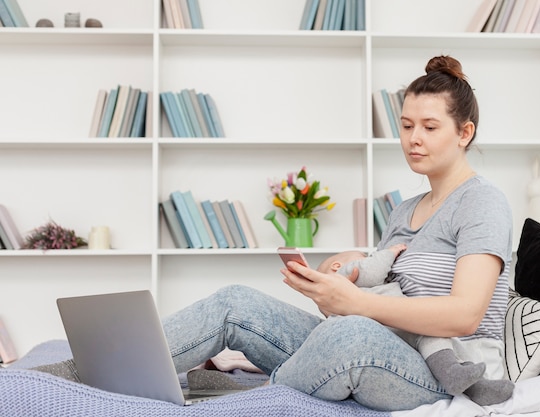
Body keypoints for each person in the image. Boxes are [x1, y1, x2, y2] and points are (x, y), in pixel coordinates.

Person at [34, 55, 514, 411]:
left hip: (442, 369)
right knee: (235, 301)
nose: (413, 138)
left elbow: (465, 314)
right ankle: (82, 374)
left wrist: (356, 306)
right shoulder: (405, 208)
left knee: (348, 334)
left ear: (464, 133)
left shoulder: (482, 202)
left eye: (430, 127)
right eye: (407, 125)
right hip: (374, 336)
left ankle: (222, 402)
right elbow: (384, 283)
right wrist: (337, 281)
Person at [317, 244, 509, 403]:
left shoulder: (336, 298)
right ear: (336, 266)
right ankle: (457, 375)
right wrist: (389, 253)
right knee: (434, 335)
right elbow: (371, 271)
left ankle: (468, 381)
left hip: (393, 328)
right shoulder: (342, 277)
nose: (369, 258)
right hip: (392, 327)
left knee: (437, 338)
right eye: (364, 256)